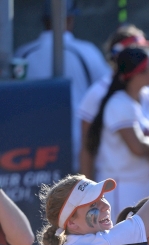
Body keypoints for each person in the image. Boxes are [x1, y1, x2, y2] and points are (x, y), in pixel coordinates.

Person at [14, 0, 110, 171]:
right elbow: (109, 97)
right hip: (79, 146)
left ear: (44, 20)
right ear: (70, 19)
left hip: (31, 150)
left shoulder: (23, 54)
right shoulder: (87, 52)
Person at [79, 25, 149, 180]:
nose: (145, 55)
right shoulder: (98, 94)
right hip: (120, 183)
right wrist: (87, 194)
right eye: (137, 49)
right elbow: (88, 148)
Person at [85, 47, 149, 218]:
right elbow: (138, 147)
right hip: (123, 189)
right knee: (125, 241)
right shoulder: (119, 103)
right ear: (137, 73)